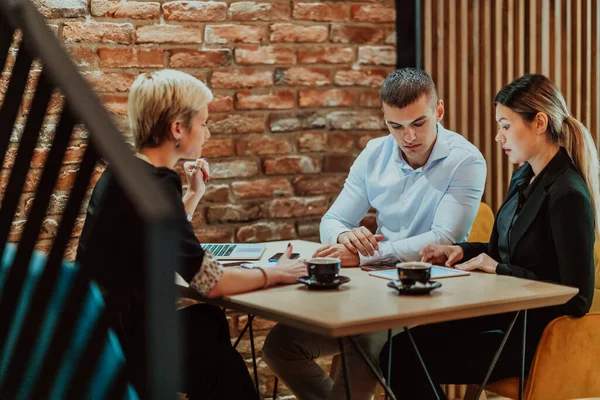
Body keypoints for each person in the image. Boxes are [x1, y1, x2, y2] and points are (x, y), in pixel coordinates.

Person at [76, 69, 306, 400]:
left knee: (208, 323)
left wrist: (193, 194)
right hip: (125, 345)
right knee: (218, 358)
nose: (208, 133)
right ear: (178, 129)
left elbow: (156, 233)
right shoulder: (156, 182)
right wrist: (274, 273)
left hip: (101, 333)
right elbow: (210, 282)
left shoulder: (124, 172)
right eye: (204, 122)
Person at [262, 68, 487, 400]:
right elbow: (333, 219)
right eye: (395, 126)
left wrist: (365, 254)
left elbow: (441, 239)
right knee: (280, 346)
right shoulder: (373, 153)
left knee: (364, 342)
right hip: (371, 290)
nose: (407, 136)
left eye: (418, 123)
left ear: (439, 112)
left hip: (428, 295)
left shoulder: (465, 160)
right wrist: (344, 238)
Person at [380, 74, 597, 399]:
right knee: (397, 349)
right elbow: (501, 251)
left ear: (539, 122)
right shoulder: (524, 176)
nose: (499, 136)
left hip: (533, 335)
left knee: (404, 358)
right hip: (504, 319)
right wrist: (458, 251)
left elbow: (578, 297)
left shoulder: (568, 194)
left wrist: (497, 269)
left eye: (506, 126)